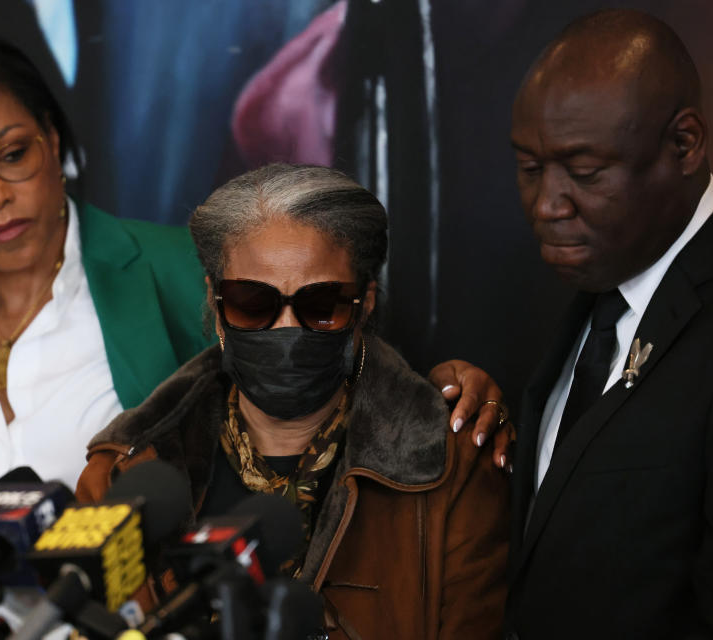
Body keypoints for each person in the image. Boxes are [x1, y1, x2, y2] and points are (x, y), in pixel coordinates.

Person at [0, 27, 506, 585]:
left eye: (11, 155)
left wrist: (439, 390)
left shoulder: (178, 268)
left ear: (53, 142)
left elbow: (323, 377)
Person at [77, 164, 510, 639]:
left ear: (363, 303)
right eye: (253, 302)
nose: (286, 328)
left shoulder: (451, 464)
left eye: (320, 304)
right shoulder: (121, 469)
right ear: (217, 307)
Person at [506, 9, 713, 638]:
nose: (547, 205)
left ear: (684, 145)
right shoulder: (591, 283)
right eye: (530, 168)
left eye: (586, 172)